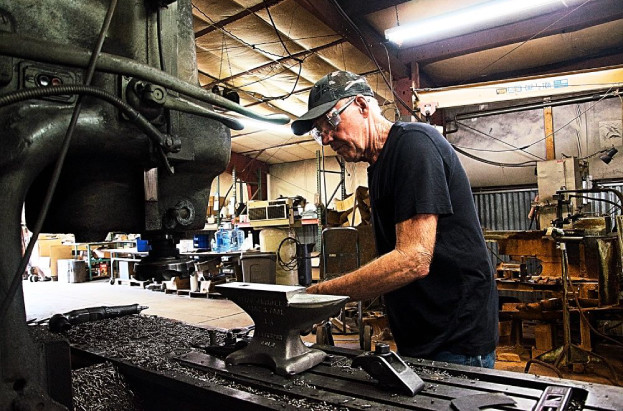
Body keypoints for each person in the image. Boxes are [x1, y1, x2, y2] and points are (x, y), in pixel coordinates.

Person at [291, 71, 498, 368]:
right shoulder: (378, 166)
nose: (325, 138)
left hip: (456, 338)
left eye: (331, 123)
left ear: (362, 106)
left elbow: (413, 258)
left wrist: (320, 296)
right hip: (424, 335)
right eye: (318, 131)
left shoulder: (414, 146)